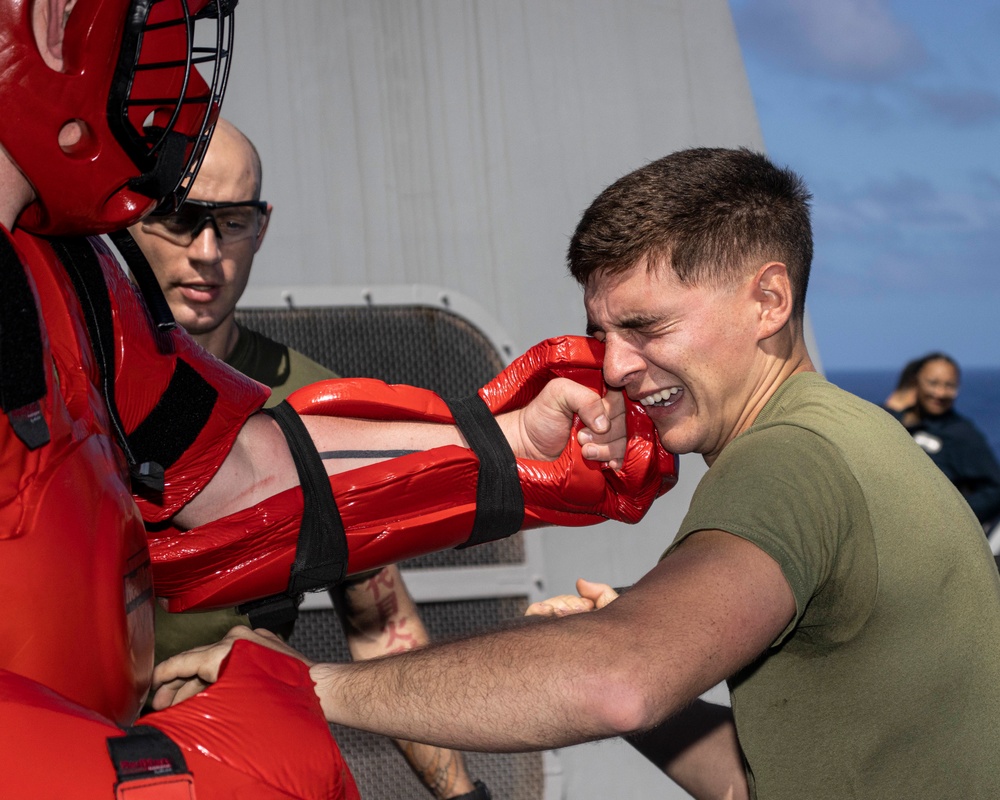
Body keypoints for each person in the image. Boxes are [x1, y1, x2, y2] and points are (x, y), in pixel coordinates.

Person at [155, 147, 1000, 800]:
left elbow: (615, 680)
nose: (617, 366)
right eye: (601, 333)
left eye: (646, 326)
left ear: (769, 301)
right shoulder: (862, 438)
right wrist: (657, 651)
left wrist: (310, 684)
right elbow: (753, 781)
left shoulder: (789, 459)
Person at [0, 1, 673, 796]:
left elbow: (235, 477)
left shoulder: (71, 279)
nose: (166, 50)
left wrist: (515, 447)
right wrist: (173, 774)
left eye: (233, 223)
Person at [131, 117, 488, 800]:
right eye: (180, 219)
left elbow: (379, 621)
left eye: (231, 223)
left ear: (261, 229)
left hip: (229, 753)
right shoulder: (62, 374)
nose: (207, 252)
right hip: (55, 731)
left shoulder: (310, 404)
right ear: (132, 218)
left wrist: (461, 796)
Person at [884, 352, 1000, 527]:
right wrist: (888, 410)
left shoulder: (961, 434)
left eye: (950, 385)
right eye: (933, 383)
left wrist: (951, 520)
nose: (940, 393)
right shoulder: (891, 421)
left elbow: (995, 489)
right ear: (915, 383)